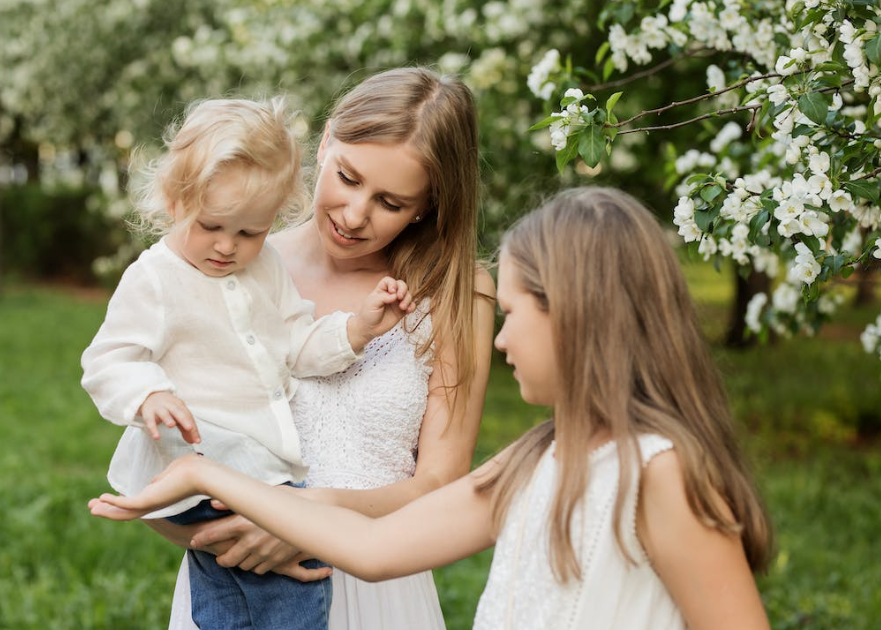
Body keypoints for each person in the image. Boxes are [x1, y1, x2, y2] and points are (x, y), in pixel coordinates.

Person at [91, 186, 775, 630]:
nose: (500, 338)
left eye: (512, 314)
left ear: (580, 318)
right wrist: (206, 475)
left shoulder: (661, 474)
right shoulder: (538, 458)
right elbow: (375, 547)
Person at [111, 68, 495, 629]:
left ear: (429, 205)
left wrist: (305, 519)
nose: (355, 214)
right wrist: (227, 539)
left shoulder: (458, 292)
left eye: (390, 201)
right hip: (243, 579)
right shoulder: (231, 267)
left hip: (381, 587)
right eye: (347, 176)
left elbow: (441, 484)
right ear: (326, 141)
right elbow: (162, 454)